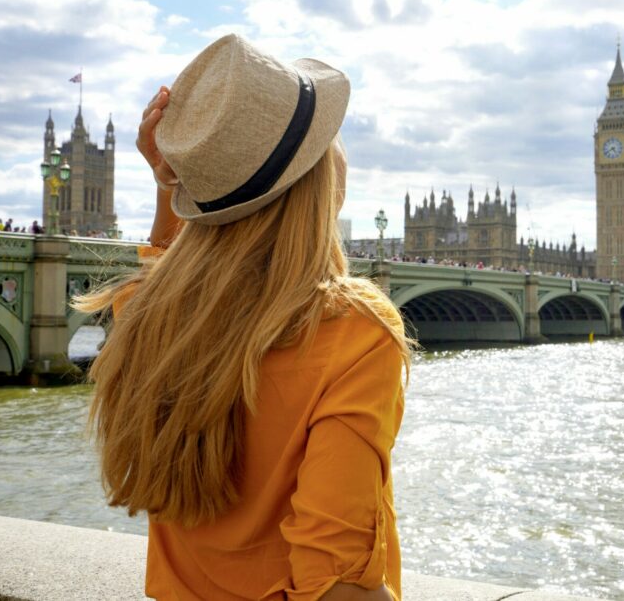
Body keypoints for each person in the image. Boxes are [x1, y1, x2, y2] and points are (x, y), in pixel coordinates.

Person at [74, 34, 411, 601]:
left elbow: (173, 273)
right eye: (329, 136)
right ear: (313, 178)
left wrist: (174, 188)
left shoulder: (146, 317)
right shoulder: (354, 333)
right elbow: (336, 587)